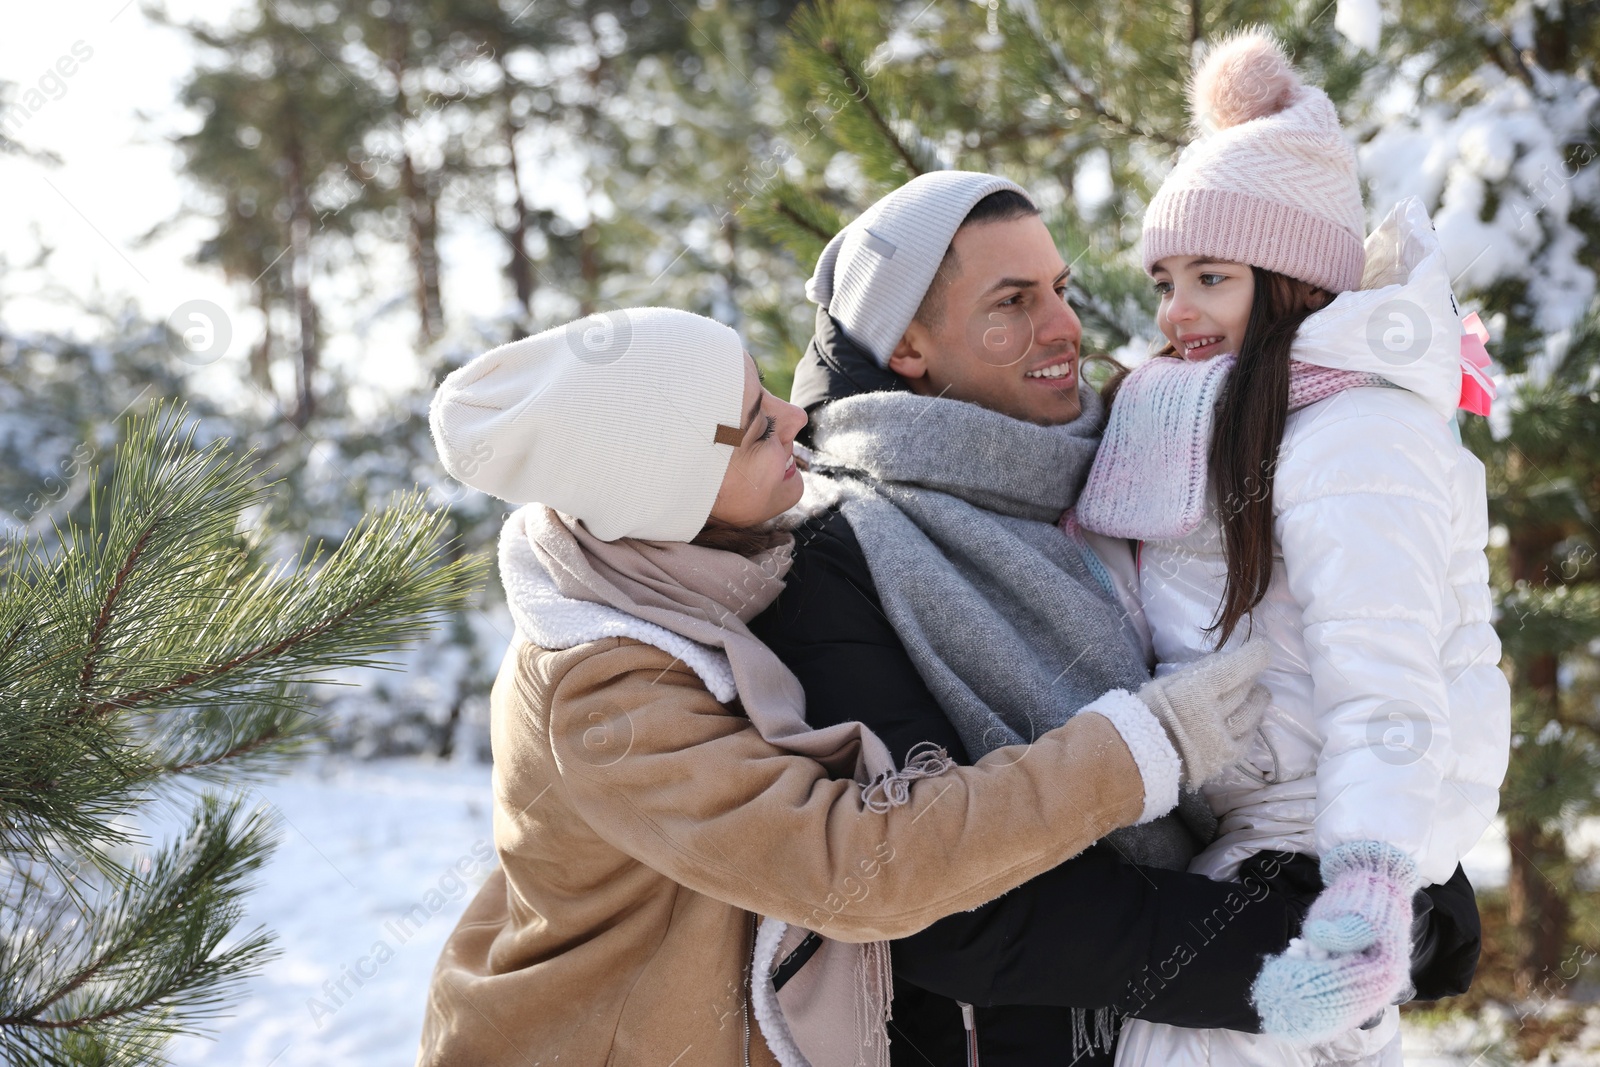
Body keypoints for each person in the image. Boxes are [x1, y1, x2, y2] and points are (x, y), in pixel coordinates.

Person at [753, 169, 1486, 1065]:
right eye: (1013, 301)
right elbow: (950, 905)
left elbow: (1340, 671)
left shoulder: (1136, 469)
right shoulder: (835, 556)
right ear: (908, 346)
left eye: (1060, 289)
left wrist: (1403, 913)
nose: (1065, 326)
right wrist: (1295, 954)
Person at [413, 306, 1270, 1067]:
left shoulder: (695, 579)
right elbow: (856, 866)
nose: (793, 415)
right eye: (753, 427)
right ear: (670, 496)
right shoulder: (607, 695)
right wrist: (1133, 748)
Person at [1075, 29, 1511, 1066]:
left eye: (1210, 276)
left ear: (1292, 285)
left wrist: (1362, 897)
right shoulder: (1233, 420)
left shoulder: (1351, 438)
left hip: (1317, 861)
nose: (1175, 311)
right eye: (1163, 279)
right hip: (1267, 850)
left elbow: (1387, 682)